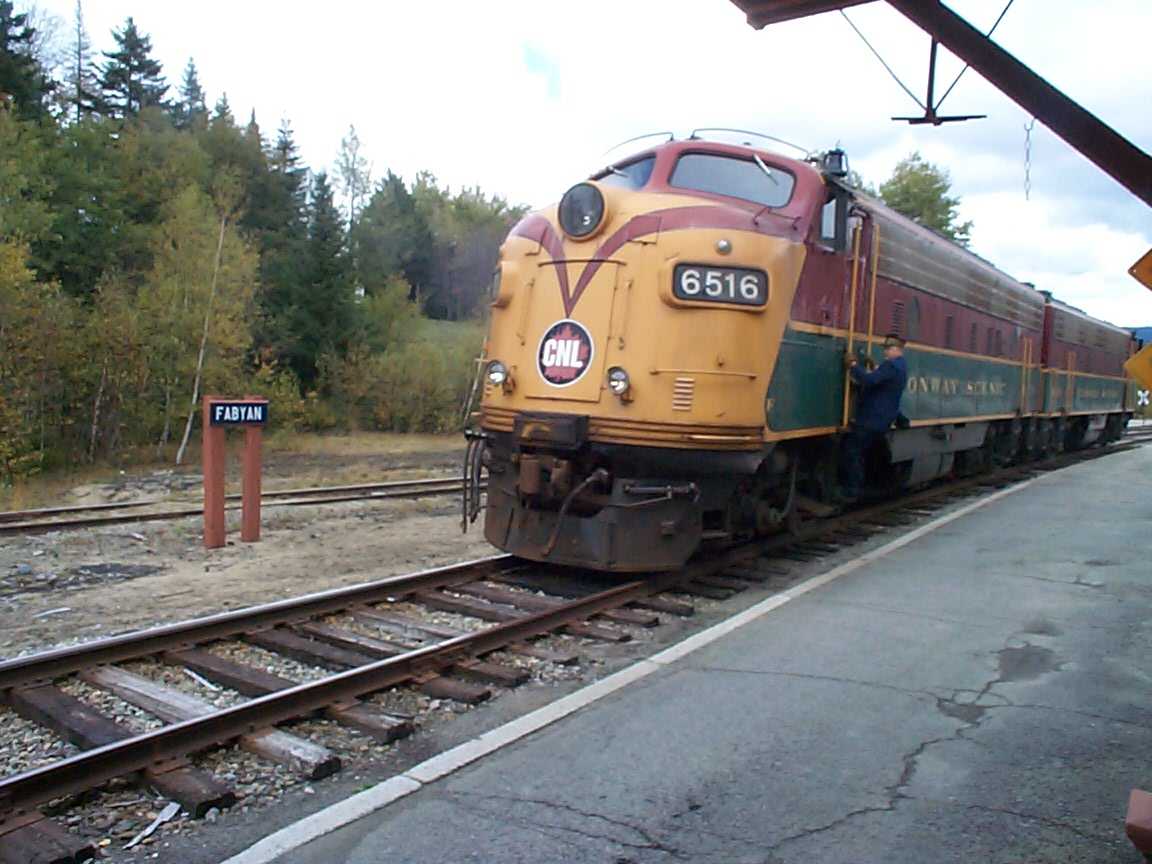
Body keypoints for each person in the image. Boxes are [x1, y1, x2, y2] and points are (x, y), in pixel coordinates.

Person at [839, 334, 908, 501]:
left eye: (888, 349)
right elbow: (882, 384)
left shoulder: (891, 366)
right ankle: (863, 486)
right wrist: (876, 367)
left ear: (897, 350)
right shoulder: (901, 366)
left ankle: (852, 490)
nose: (885, 352)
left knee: (852, 450)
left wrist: (853, 366)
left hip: (871, 420)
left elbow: (870, 381)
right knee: (862, 451)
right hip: (882, 420)